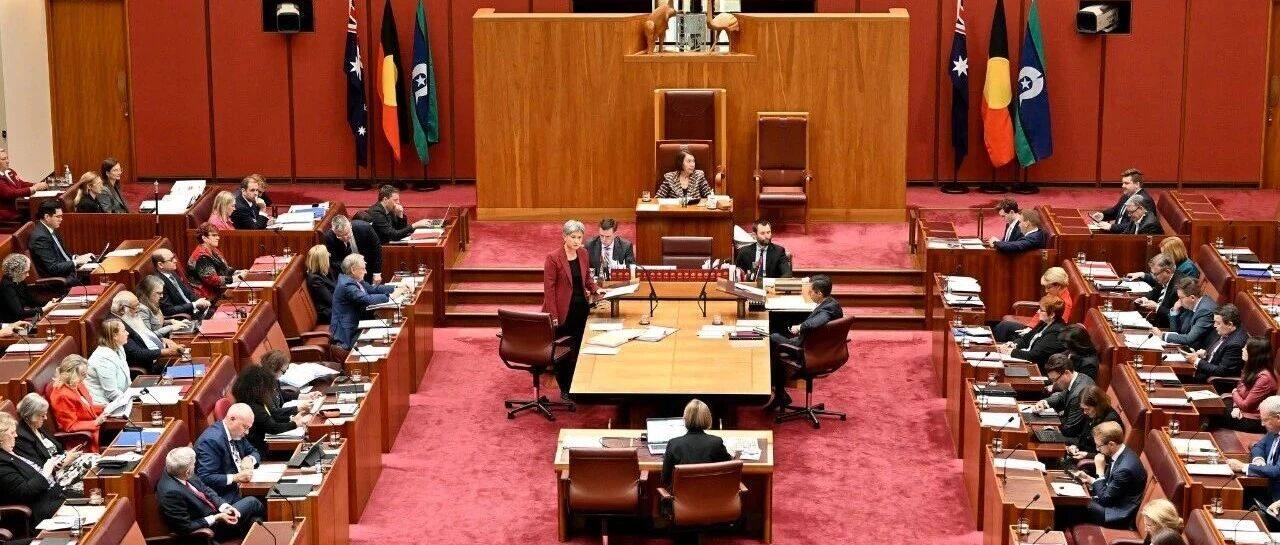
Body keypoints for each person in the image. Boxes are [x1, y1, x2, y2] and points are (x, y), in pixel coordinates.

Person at [542, 220, 605, 396]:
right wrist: (553, 315)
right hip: (563, 311)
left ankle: (580, 386)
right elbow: (549, 289)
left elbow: (587, 279)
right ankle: (565, 389)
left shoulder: (583, 253)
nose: (577, 241)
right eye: (573, 237)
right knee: (564, 351)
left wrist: (596, 289)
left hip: (581, 309)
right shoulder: (553, 258)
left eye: (579, 237)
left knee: (578, 347)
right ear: (564, 236)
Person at [157, 446, 264, 542]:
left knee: (254, 520)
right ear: (187, 471)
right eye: (194, 464)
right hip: (209, 530)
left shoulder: (178, 471)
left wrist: (224, 507)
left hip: (216, 512)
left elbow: (206, 490)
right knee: (253, 502)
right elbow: (185, 527)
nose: (195, 466)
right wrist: (217, 517)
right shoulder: (171, 493)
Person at [767, 275, 841, 410]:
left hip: (809, 351)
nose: (809, 294)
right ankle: (780, 392)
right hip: (821, 347)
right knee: (779, 342)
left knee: (773, 338)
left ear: (819, 293)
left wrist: (800, 327)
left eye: (811, 292)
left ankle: (779, 393)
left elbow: (816, 322)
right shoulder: (832, 303)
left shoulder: (828, 310)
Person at [1073, 421, 1147, 528]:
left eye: (1099, 446)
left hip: (1114, 514)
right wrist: (1090, 479)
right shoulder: (1121, 452)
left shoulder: (1124, 469)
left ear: (1111, 444)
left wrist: (1099, 470)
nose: (1097, 449)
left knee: (1074, 504)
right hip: (1111, 502)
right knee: (1074, 500)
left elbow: (1105, 499)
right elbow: (1110, 487)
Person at [0, 412, 67, 525]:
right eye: (12, 433)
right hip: (40, 510)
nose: (16, 435)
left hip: (54, 493)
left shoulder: (10, 450)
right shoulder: (2, 463)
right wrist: (46, 472)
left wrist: (51, 467)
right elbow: (24, 492)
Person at [230, 365, 311, 456]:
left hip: (264, 446)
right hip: (260, 452)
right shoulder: (253, 407)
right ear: (258, 388)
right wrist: (295, 424)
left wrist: (291, 418)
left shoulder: (252, 400)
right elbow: (273, 428)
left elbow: (270, 416)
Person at [330, 254, 403, 350]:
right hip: (348, 334)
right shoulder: (347, 285)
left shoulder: (354, 280)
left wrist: (397, 287)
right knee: (384, 341)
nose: (366, 272)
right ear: (353, 270)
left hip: (358, 325)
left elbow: (373, 289)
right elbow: (366, 299)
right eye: (363, 269)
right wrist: (391, 296)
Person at [194, 403, 259, 502]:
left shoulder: (236, 433)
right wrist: (236, 477)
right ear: (232, 419)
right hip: (223, 496)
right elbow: (205, 477)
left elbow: (254, 451)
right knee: (257, 503)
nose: (247, 432)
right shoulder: (211, 441)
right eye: (245, 427)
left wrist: (249, 459)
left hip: (242, 487)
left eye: (248, 428)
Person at [661, 399, 731, 486]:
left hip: (682, 495)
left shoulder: (674, 444)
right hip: (712, 493)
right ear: (708, 418)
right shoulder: (716, 443)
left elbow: (665, 480)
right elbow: (729, 470)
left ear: (685, 419)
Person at [993, 267, 1073, 342]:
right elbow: (1040, 313)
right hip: (1034, 327)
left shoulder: (1064, 304)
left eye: (1048, 287)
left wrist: (1031, 331)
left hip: (1038, 334)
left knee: (1004, 328)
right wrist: (1030, 326)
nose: (1046, 291)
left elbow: (1053, 328)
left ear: (1058, 286)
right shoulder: (1055, 293)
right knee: (1004, 328)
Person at [112, 291, 182, 374]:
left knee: (191, 366)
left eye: (138, 305)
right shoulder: (120, 327)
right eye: (135, 307)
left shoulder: (130, 317)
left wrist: (163, 339)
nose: (138, 309)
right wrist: (167, 351)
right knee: (188, 371)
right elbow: (137, 354)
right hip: (150, 367)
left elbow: (145, 335)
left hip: (159, 357)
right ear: (124, 308)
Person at [46, 355, 105, 452]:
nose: (86, 377)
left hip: (97, 428)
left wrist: (104, 409)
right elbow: (70, 426)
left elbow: (86, 408)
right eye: (83, 374)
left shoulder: (77, 384)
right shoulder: (62, 395)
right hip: (84, 438)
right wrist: (95, 423)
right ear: (72, 374)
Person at [1227, 396, 1280, 504]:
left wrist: (1243, 467)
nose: (1262, 424)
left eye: (1265, 420)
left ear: (1278, 418)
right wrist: (1258, 459)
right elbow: (1258, 446)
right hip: (1265, 485)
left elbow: (1277, 471)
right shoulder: (1274, 430)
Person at [1033, 355, 1096, 443]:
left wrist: (1049, 426)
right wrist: (1044, 402)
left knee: (1035, 438)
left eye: (1056, 380)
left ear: (1066, 373)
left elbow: (1070, 430)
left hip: (1079, 439)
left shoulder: (1077, 395)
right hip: (1070, 426)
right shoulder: (1079, 377)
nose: (1054, 384)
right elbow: (1061, 397)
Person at [28, 200, 95, 282]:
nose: (61, 219)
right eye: (58, 217)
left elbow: (62, 255)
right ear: (47, 217)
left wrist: (77, 258)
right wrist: (76, 262)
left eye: (61, 216)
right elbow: (53, 268)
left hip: (68, 271)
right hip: (61, 279)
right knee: (97, 277)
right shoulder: (40, 238)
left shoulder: (50, 229)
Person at [1222, 337, 1275, 433]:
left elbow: (1246, 405)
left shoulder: (1264, 378)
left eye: (1246, 348)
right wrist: (1236, 407)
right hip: (1241, 411)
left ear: (1254, 354)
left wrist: (1234, 392)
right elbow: (1239, 390)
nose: (1242, 349)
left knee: (1211, 413)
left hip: (1253, 420)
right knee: (1212, 407)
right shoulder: (1250, 368)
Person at [997, 295, 1067, 366]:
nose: (1038, 311)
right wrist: (1013, 345)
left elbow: (1035, 356)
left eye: (1041, 310)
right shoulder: (1044, 322)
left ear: (1052, 314)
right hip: (1027, 357)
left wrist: (1011, 352)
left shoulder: (1055, 332)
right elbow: (1025, 339)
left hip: (1036, 366)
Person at [14, 393, 78, 468]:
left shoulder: (37, 426)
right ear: (30, 415)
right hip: (54, 472)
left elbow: (56, 450)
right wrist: (65, 462)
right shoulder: (21, 438)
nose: (46, 418)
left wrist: (66, 454)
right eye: (42, 415)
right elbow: (39, 467)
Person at [1064, 386, 1122, 466]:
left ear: (1098, 406)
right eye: (1083, 409)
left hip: (1092, 463)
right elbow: (1083, 436)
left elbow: (1110, 455)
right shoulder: (1093, 414)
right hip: (1081, 454)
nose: (1084, 412)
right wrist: (1075, 446)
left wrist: (1087, 455)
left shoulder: (1110, 421)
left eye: (1087, 409)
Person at [1189, 304, 1248, 382]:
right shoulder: (1225, 331)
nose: (1214, 325)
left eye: (1218, 323)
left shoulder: (1235, 344)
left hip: (1210, 383)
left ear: (1230, 324)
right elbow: (1216, 356)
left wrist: (1197, 361)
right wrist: (1205, 355)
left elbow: (1222, 371)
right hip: (1201, 372)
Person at [187, 223, 246, 300]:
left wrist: (239, 272)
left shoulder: (213, 250)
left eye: (218, 235)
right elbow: (212, 280)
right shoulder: (202, 257)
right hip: (206, 298)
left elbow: (224, 268)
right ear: (204, 238)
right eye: (214, 235)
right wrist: (234, 279)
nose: (218, 238)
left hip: (217, 292)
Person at [150, 248, 212, 319]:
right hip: (185, 318)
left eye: (174, 257)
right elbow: (168, 310)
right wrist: (194, 304)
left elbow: (187, 293)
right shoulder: (158, 283)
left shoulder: (172, 273)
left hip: (195, 310)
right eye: (171, 259)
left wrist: (200, 301)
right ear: (160, 265)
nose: (175, 261)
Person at [1157, 278, 1217, 350]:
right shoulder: (1191, 304)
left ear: (1192, 298)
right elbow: (1177, 332)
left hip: (1199, 351)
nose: (1179, 301)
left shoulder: (1205, 311)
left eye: (1180, 298)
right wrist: (1175, 311)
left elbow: (1189, 339)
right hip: (1188, 347)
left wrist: (1162, 335)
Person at [84, 318, 131, 404]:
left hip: (120, 398)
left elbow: (126, 379)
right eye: (124, 331)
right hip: (102, 404)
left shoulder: (119, 347)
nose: (127, 333)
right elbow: (112, 393)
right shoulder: (103, 359)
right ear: (114, 336)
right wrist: (132, 401)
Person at [365, 185, 434, 244]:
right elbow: (394, 235)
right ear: (385, 200)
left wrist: (400, 215)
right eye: (395, 200)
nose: (398, 202)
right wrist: (415, 225)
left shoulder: (389, 209)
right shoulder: (376, 213)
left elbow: (400, 231)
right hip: (380, 248)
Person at [0, 254, 57, 324]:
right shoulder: (7, 286)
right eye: (26, 272)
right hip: (11, 324)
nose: (28, 275)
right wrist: (43, 309)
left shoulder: (19, 280)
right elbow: (19, 313)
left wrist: (49, 302)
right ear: (16, 272)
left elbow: (31, 301)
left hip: (20, 320)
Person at [324, 215, 381, 282]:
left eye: (347, 234)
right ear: (334, 231)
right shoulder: (329, 237)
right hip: (346, 273)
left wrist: (377, 273)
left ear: (350, 226)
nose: (345, 238)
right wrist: (350, 271)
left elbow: (376, 248)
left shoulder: (365, 228)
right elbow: (334, 261)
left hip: (367, 267)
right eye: (340, 236)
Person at [1129, 254, 1180, 329]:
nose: (1154, 278)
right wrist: (1144, 298)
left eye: (1156, 274)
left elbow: (1176, 317)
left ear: (1167, 271)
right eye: (1152, 274)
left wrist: (1157, 307)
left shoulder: (1178, 288)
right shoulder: (1164, 279)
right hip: (1156, 323)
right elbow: (1155, 291)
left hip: (1165, 328)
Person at [0, 148, 49, 223]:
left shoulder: (10, 171)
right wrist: (32, 189)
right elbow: (9, 193)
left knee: (43, 210)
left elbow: (21, 184)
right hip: (8, 212)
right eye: (3, 159)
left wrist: (36, 185)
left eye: (7, 158)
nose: (7, 161)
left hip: (19, 207)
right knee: (40, 214)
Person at [305, 245, 336, 325]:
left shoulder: (326, 271)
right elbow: (331, 300)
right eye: (327, 254)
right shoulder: (315, 279)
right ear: (322, 260)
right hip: (328, 313)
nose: (329, 255)